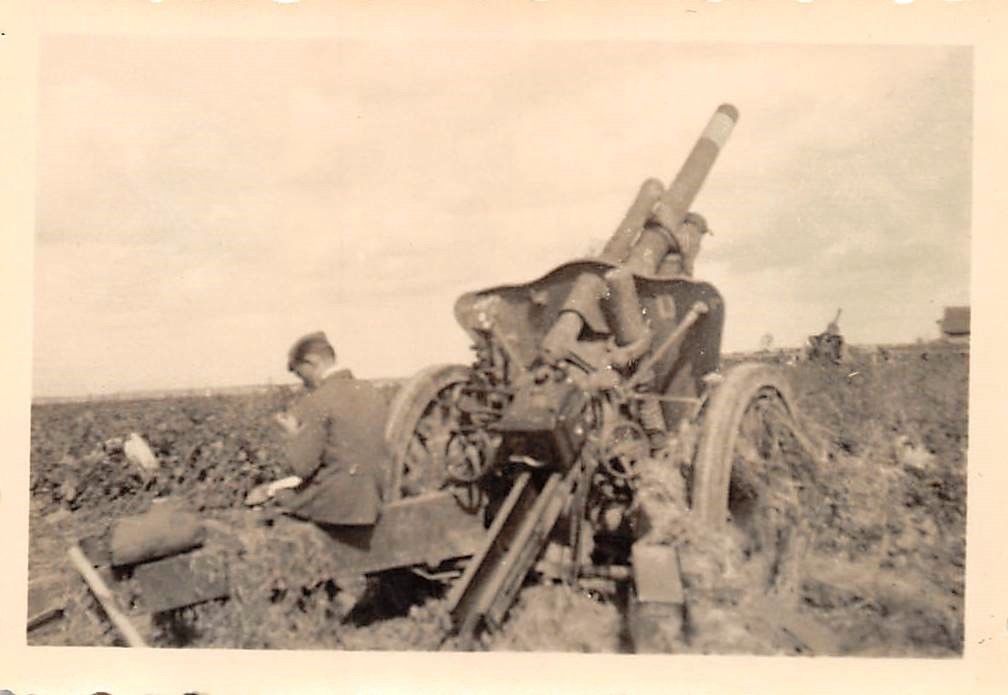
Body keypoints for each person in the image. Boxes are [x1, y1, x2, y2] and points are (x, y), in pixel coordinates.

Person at [272, 331, 390, 527]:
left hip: (341, 505)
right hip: (379, 495)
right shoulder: (371, 392)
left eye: (300, 373)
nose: (302, 382)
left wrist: (292, 436)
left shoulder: (317, 401)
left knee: (272, 496)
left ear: (312, 362)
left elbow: (303, 468)